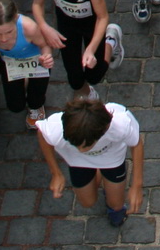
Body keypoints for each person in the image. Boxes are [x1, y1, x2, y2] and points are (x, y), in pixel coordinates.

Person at [34, 97, 146, 228]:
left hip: (112, 160)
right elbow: (42, 135)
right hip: (78, 163)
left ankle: (111, 197)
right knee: (88, 202)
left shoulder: (120, 123)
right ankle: (100, 174)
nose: (79, 149)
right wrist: (56, 173)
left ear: (101, 132)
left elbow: (137, 144)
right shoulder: (56, 128)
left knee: (116, 204)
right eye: (74, 144)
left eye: (84, 146)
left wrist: (136, 185)